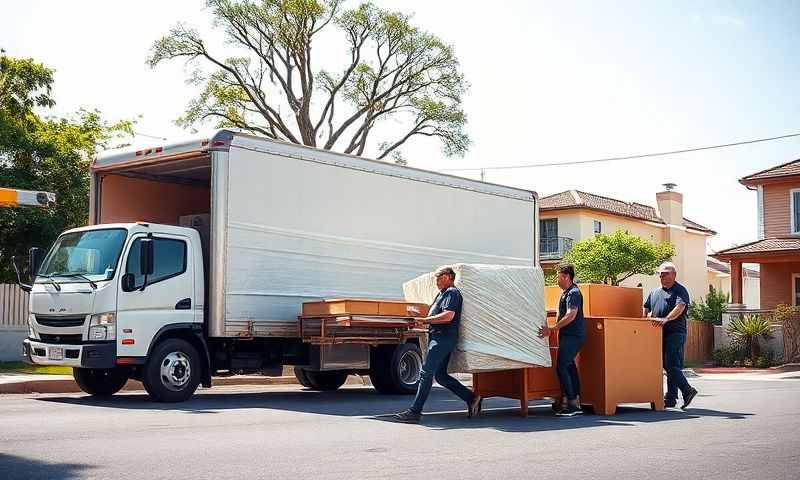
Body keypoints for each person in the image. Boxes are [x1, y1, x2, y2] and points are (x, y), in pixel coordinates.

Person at [393, 266, 482, 424]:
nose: (436, 281)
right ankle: (472, 398)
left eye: (439, 278)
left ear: (448, 277)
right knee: (440, 376)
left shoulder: (451, 293)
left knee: (425, 372)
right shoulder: (442, 294)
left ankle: (415, 412)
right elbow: (436, 315)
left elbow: (448, 316)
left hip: (443, 339)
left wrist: (425, 320)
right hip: (439, 337)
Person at [644, 262, 698, 409]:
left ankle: (687, 391)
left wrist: (666, 319)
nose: (662, 276)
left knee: (670, 364)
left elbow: (680, 307)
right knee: (667, 365)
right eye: (660, 274)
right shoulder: (654, 292)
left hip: (675, 333)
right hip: (657, 334)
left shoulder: (680, 290)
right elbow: (647, 308)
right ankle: (671, 398)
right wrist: (647, 317)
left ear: (674, 275)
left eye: (666, 274)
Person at [538, 264, 586, 417]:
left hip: (573, 335)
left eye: (558, 276)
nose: (556, 279)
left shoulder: (574, 293)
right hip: (569, 335)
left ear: (566, 277)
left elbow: (571, 314)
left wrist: (552, 329)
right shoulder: (566, 293)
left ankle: (572, 403)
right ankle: (574, 401)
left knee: (561, 366)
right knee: (569, 366)